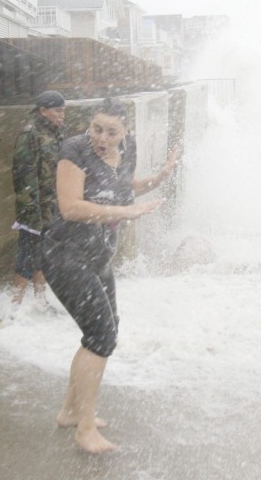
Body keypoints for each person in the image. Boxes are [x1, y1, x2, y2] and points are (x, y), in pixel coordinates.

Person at [43, 98, 178, 454]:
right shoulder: (74, 150)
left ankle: (70, 412)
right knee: (101, 336)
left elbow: (124, 186)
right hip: (65, 256)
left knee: (105, 329)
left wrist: (159, 178)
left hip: (97, 257)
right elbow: (70, 207)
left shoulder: (127, 148)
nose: (102, 138)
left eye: (111, 132)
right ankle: (85, 429)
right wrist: (124, 212)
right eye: (97, 129)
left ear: (125, 131)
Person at [10, 90, 66, 305]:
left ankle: (40, 302)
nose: (62, 116)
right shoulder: (30, 135)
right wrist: (30, 213)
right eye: (58, 111)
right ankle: (14, 307)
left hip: (51, 206)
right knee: (26, 256)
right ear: (43, 111)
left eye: (64, 111)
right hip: (33, 208)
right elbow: (23, 176)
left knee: (42, 257)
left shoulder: (56, 132)